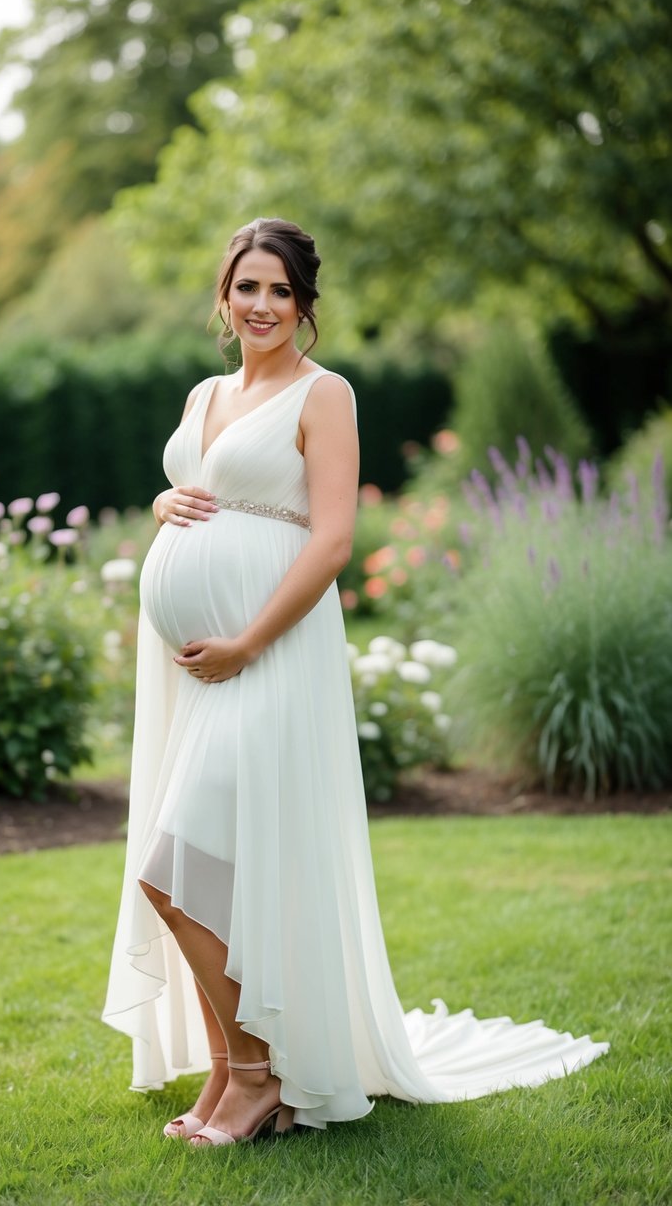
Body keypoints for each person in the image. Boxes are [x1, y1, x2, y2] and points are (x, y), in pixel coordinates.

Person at [102, 218, 608, 1147]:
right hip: (199, 671)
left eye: (279, 291)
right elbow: (198, 489)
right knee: (196, 870)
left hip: (269, 654)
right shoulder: (204, 392)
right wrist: (165, 502)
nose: (261, 306)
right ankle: (232, 1070)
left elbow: (330, 540)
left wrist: (247, 641)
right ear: (222, 296)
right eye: (246, 287)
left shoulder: (322, 394)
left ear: (303, 305)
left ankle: (259, 1077)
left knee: (174, 872)